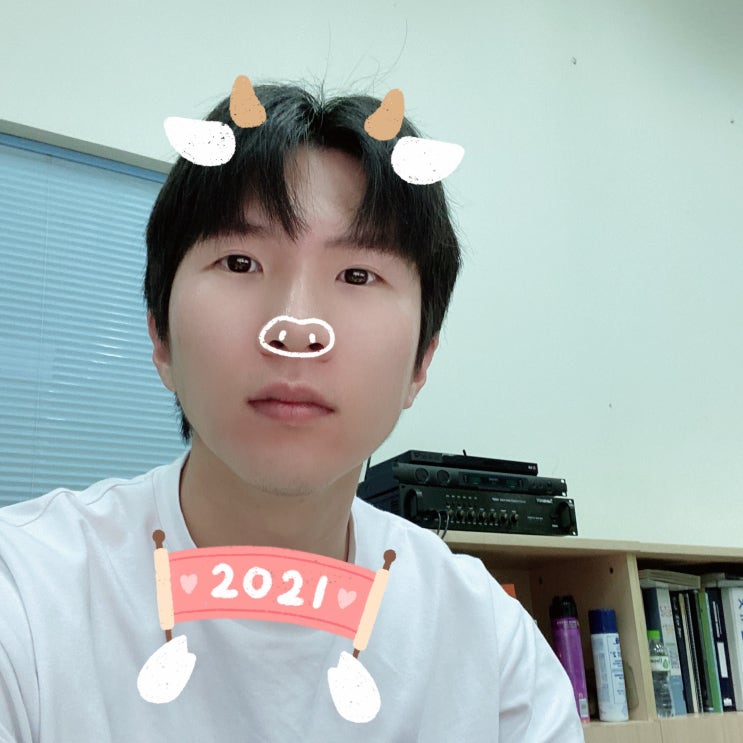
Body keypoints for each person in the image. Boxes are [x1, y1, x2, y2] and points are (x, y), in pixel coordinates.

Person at [0, 83, 583, 741]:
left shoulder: (492, 650)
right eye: (240, 261)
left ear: (421, 361)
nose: (297, 328)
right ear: (161, 337)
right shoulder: (25, 596)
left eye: (358, 275)